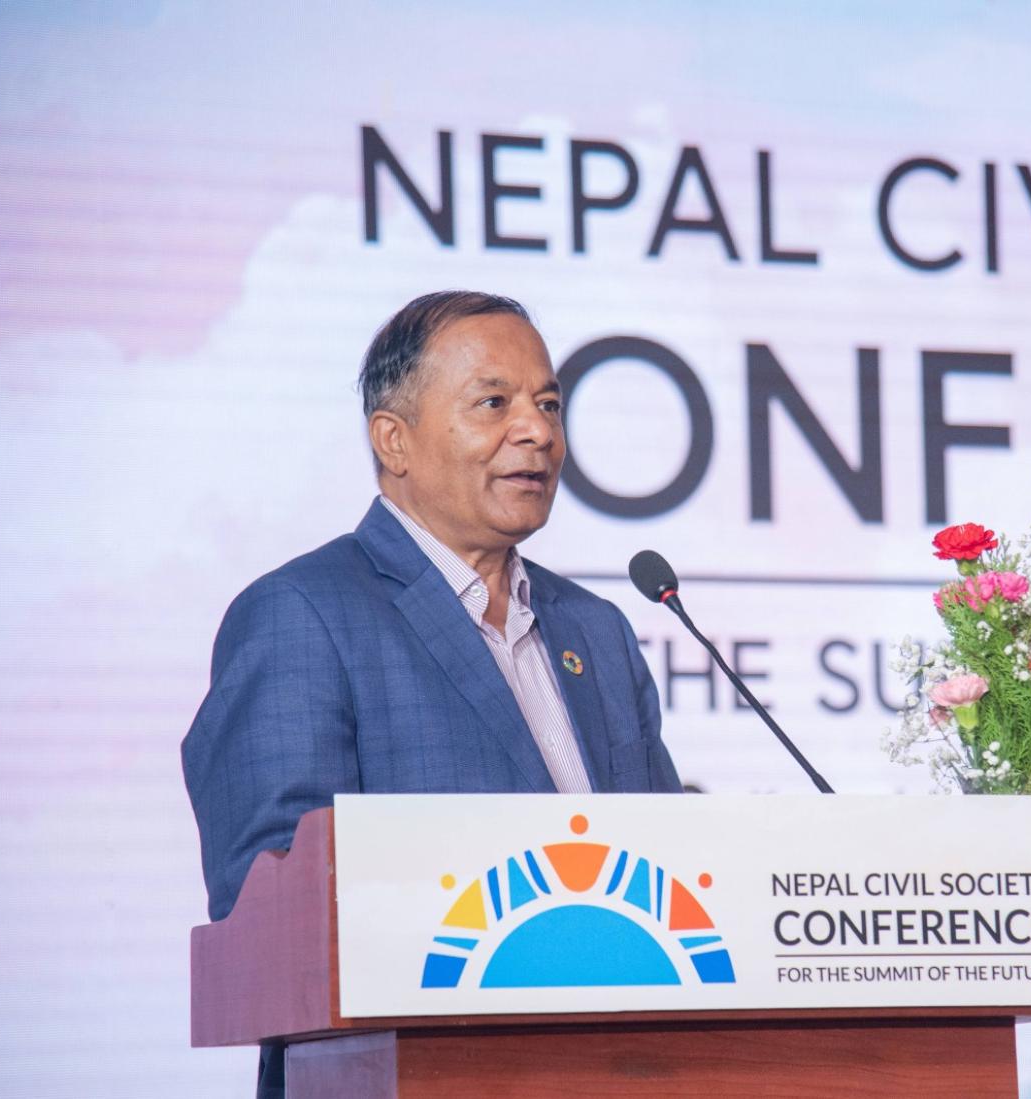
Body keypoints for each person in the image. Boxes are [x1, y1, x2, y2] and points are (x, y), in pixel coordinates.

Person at [181, 290, 683, 1097]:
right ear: (395, 440)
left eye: (549, 403)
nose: (539, 431)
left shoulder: (595, 629)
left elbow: (675, 869)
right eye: (495, 402)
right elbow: (266, 910)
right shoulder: (302, 614)